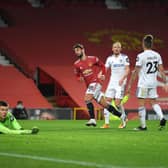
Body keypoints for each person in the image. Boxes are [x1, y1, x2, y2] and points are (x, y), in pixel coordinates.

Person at [73, 43, 126, 127]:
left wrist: (103, 74)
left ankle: (92, 119)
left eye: (78, 50)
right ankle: (122, 116)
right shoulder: (76, 64)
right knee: (105, 105)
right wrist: (79, 78)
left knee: (87, 99)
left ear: (83, 50)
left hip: (96, 82)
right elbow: (77, 74)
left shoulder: (93, 59)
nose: (77, 52)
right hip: (89, 85)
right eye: (75, 51)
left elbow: (103, 66)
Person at [127, 34, 168, 131]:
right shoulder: (157, 55)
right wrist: (165, 82)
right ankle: (162, 117)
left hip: (143, 84)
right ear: (151, 44)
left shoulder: (141, 56)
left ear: (143, 44)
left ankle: (143, 126)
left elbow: (136, 71)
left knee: (141, 104)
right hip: (153, 83)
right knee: (153, 102)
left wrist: (129, 84)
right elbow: (161, 71)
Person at [100, 42, 130, 129]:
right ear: (112, 49)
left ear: (120, 49)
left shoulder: (125, 57)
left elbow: (127, 70)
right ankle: (106, 123)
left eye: (118, 47)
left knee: (117, 103)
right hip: (112, 82)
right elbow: (105, 68)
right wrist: (101, 74)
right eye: (115, 47)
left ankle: (123, 119)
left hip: (121, 82)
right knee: (106, 102)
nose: (116, 48)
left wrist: (123, 78)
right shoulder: (109, 58)